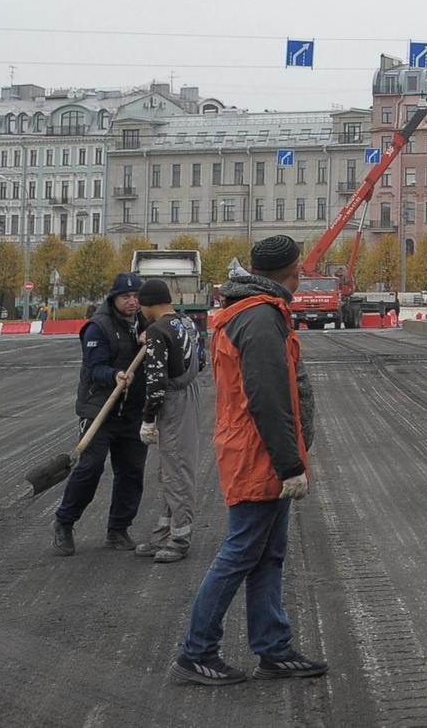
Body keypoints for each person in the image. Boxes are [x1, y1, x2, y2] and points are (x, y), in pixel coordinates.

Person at [170, 234, 325, 686]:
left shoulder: (255, 312)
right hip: (258, 455)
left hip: (257, 452)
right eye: (299, 267)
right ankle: (197, 651)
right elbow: (267, 398)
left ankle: (273, 647)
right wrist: (290, 464)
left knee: (266, 554)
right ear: (291, 271)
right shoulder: (259, 318)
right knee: (240, 553)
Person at [52, 273, 150, 556]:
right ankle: (64, 522)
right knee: (90, 467)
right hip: (99, 410)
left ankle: (118, 529)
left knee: (131, 472)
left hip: (133, 411)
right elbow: (95, 368)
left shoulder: (148, 324)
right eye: (125, 297)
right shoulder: (98, 327)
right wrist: (115, 374)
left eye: (136, 297)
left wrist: (152, 338)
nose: (132, 302)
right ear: (114, 299)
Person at [135, 278, 205, 564]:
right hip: (191, 393)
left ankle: (180, 539)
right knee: (171, 469)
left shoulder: (157, 330)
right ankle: (163, 533)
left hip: (173, 402)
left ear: (147, 305)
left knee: (176, 471)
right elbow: (201, 362)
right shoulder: (186, 323)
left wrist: (148, 418)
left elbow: (155, 380)